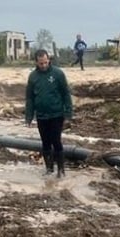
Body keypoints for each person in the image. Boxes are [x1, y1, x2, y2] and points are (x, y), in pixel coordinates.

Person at [25, 49, 73, 177]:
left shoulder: (58, 74)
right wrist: (28, 117)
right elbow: (29, 98)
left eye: (46, 62)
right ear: (36, 62)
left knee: (56, 141)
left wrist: (68, 114)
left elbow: (66, 94)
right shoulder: (33, 77)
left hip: (56, 115)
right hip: (41, 116)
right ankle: (49, 169)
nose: (44, 65)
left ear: (49, 60)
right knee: (45, 143)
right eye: (41, 63)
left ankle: (61, 170)